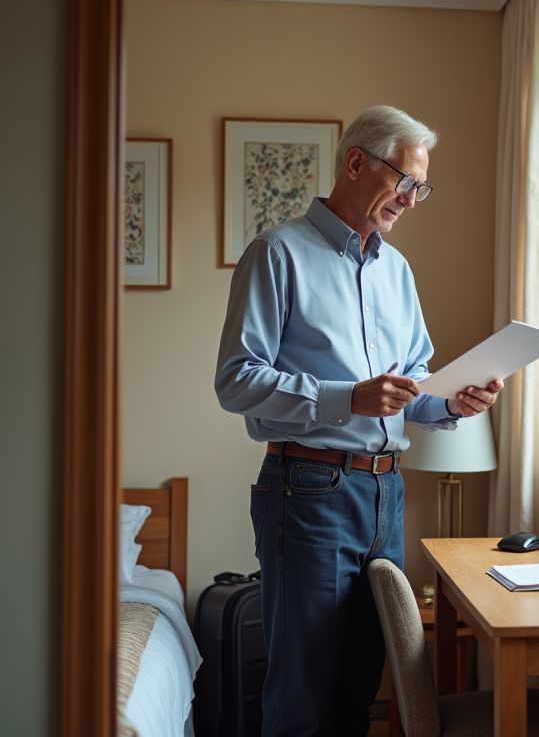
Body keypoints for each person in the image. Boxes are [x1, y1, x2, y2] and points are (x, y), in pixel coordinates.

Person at [215, 104, 503, 737]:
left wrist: (452, 403)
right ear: (355, 163)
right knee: (302, 694)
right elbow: (236, 383)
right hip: (307, 491)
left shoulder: (397, 272)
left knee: (361, 691)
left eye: (421, 188)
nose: (412, 200)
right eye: (405, 182)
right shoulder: (277, 253)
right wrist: (351, 397)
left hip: (386, 493)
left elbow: (410, 391)